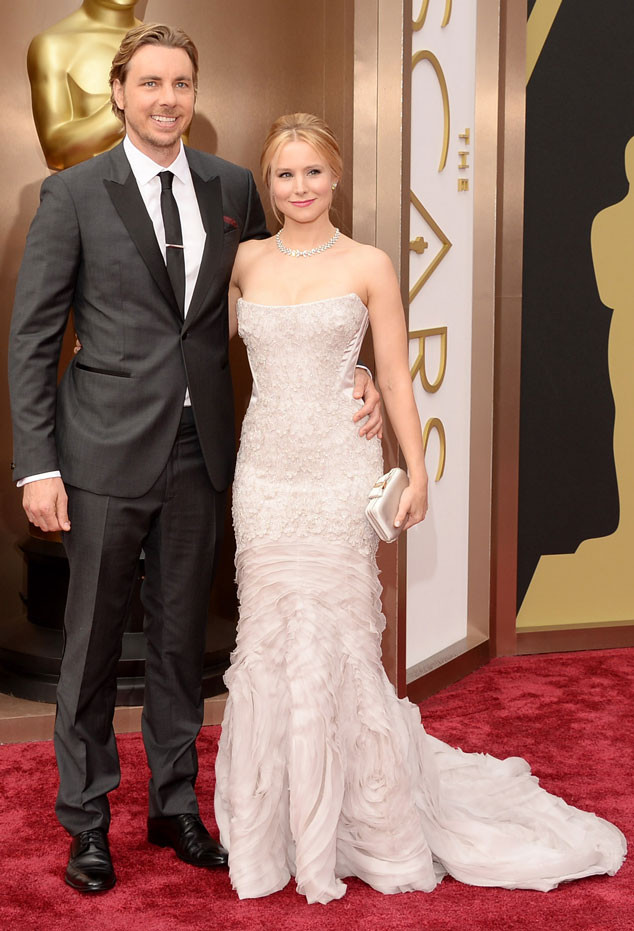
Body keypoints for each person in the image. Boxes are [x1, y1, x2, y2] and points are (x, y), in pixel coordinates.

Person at [213, 113, 627, 905]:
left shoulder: (368, 263)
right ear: (267, 184)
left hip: (341, 472)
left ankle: (358, 820)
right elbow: (196, 343)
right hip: (264, 476)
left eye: (312, 172)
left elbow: (396, 373)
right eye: (284, 175)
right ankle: (276, 831)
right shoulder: (244, 263)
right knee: (269, 642)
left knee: (338, 644)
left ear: (337, 175)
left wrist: (417, 465)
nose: (300, 187)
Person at [8, 30, 380, 895]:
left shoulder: (233, 188)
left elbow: (292, 285)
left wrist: (351, 368)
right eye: (149, 83)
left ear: (194, 92)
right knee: (93, 647)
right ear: (119, 93)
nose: (166, 98)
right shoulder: (72, 194)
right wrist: (37, 465)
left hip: (201, 452)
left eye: (180, 83)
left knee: (180, 642)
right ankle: (87, 819)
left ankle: (175, 804)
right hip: (100, 454)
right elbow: (32, 338)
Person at [27, 0, 142, 170]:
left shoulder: (164, 46)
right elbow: (56, 154)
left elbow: (178, 142)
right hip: (92, 185)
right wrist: (131, 106)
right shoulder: (53, 45)